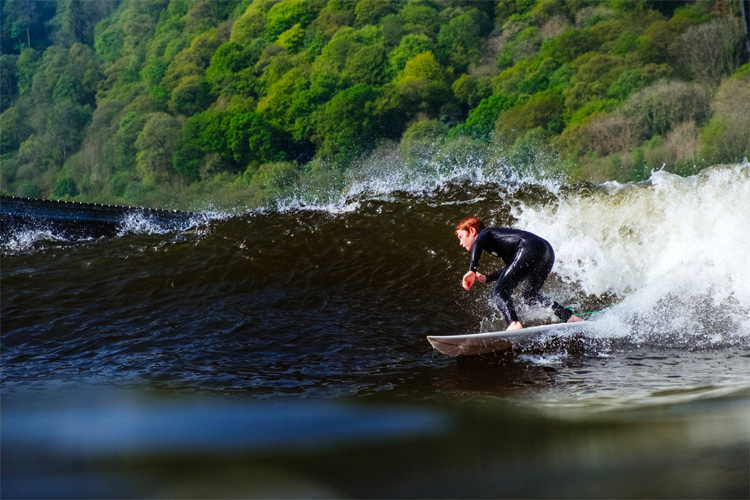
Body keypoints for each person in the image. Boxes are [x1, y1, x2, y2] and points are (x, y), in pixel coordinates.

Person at [455, 216, 582, 331]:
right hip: (546, 251)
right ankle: (569, 317)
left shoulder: (484, 234)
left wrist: (472, 269)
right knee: (530, 295)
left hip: (529, 247)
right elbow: (511, 267)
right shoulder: (497, 244)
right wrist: (487, 278)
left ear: (472, 231)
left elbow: (479, 241)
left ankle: (514, 323)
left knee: (499, 292)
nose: (461, 243)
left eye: (461, 237)